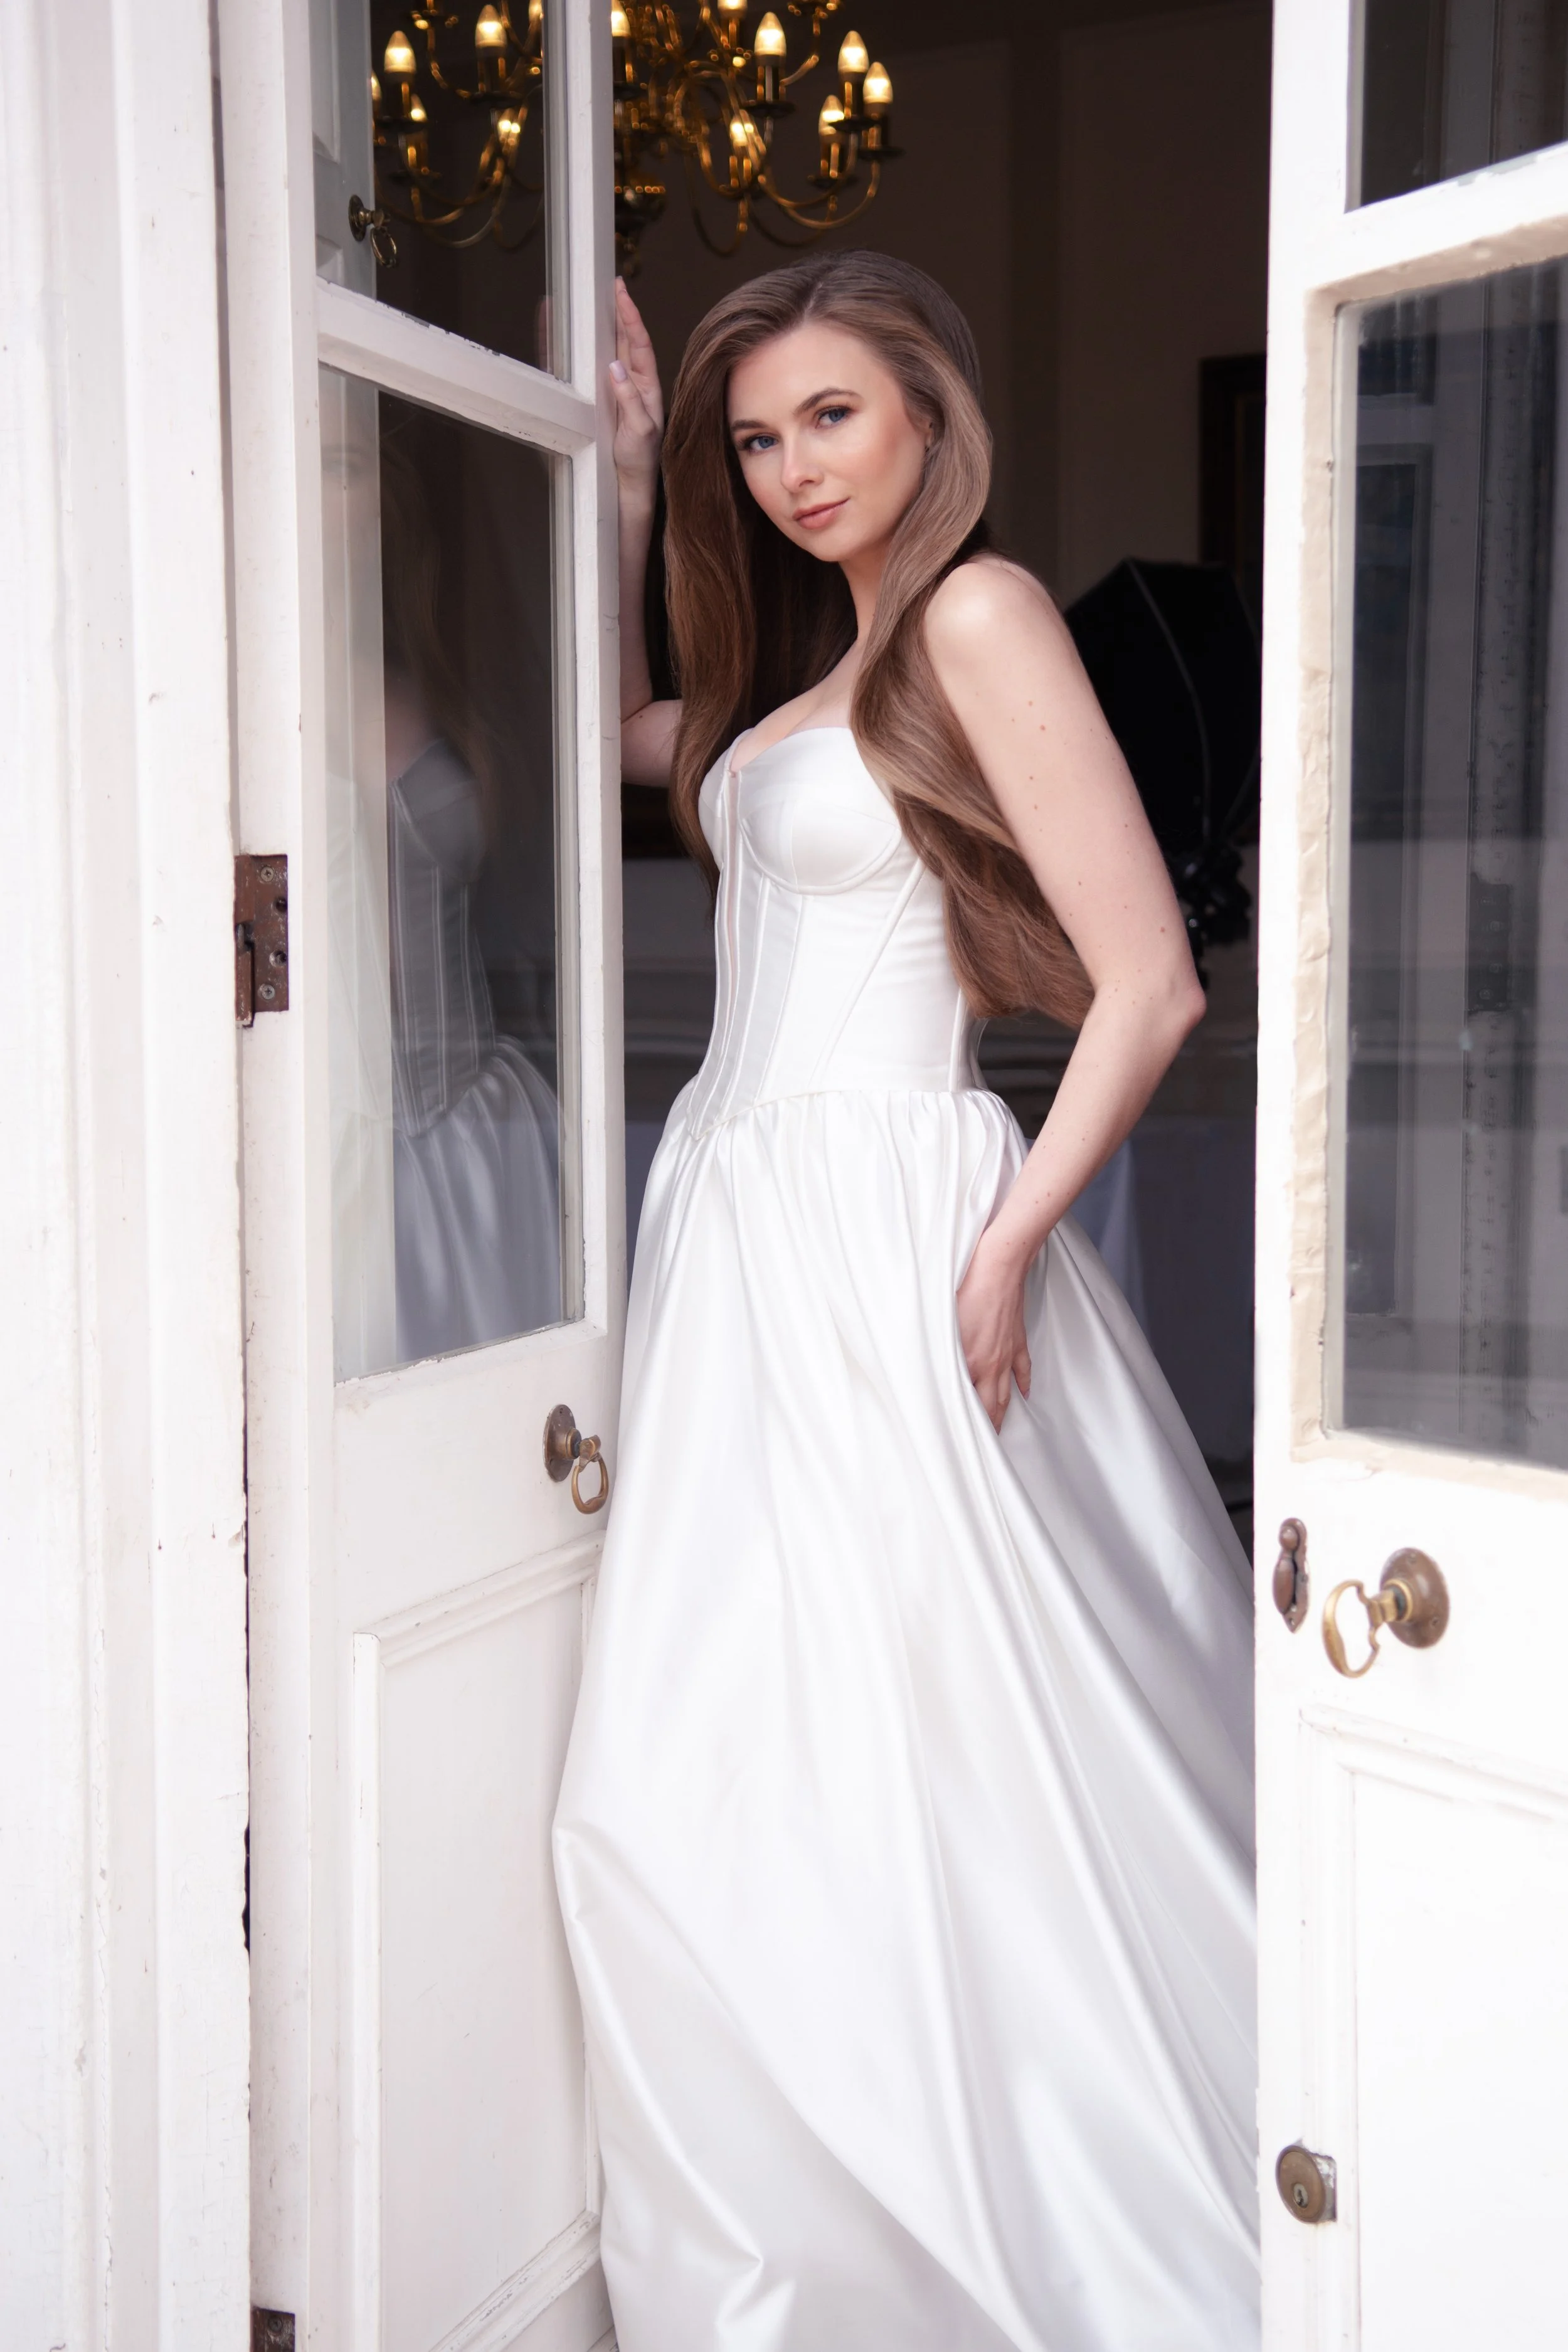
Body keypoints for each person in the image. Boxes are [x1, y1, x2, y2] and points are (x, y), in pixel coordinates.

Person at [553, 252, 1258, 2351]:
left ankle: (989, 2176)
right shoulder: (804, 690)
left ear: (929, 414)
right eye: (756, 438)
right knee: (728, 1747)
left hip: (888, 1221)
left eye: (829, 418)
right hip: (735, 1226)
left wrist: (1007, 1234)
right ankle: (812, 2188)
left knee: (928, 1734)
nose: (790, 471)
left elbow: (1150, 983)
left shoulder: (978, 612)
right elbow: (634, 735)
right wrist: (608, 499)